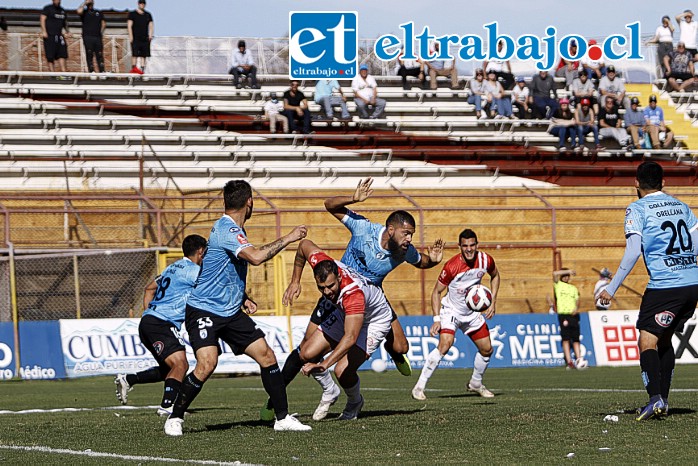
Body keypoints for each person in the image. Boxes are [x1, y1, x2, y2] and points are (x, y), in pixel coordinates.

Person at [260, 178, 444, 421]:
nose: (410, 238)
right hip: (338, 291)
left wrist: (434, 260)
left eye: (412, 234)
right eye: (406, 233)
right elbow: (329, 206)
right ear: (391, 230)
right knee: (305, 350)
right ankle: (278, 401)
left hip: (369, 300)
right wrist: (353, 198)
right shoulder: (364, 228)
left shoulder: (404, 251)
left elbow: (421, 262)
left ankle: (393, 351)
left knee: (401, 347)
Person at [163, 180, 311, 436]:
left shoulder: (230, 231)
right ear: (249, 202)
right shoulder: (227, 230)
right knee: (207, 364)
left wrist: (243, 296)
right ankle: (174, 417)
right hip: (204, 309)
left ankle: (282, 418)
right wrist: (289, 237)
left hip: (230, 311)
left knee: (267, 355)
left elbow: (221, 271)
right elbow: (255, 258)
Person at [598, 161, 698, 420]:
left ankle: (655, 398)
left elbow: (633, 252)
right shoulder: (681, 206)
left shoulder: (637, 208)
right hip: (691, 286)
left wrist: (611, 288)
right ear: (664, 183)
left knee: (647, 341)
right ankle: (662, 400)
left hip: (665, 286)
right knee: (663, 340)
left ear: (636, 183)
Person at [284, 239, 394, 421]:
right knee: (306, 353)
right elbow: (304, 245)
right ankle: (330, 390)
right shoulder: (321, 262)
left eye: (330, 286)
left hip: (375, 320)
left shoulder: (353, 295)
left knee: (342, 370)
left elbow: (350, 337)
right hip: (346, 312)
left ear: (340, 278)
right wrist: (295, 281)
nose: (327, 292)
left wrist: (324, 364)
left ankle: (354, 401)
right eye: (321, 288)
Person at [114, 234, 207, 416]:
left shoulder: (171, 268)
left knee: (169, 369)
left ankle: (128, 379)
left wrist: (150, 313)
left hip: (149, 321)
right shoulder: (193, 271)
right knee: (180, 364)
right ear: (201, 251)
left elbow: (149, 289)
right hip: (160, 323)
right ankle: (167, 407)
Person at [411, 228, 500, 401]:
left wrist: (493, 301)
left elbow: (495, 276)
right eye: (465, 246)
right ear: (459, 246)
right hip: (451, 310)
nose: (469, 249)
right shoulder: (452, 266)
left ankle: (475, 383)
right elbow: (436, 293)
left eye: (472, 245)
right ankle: (419, 387)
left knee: (487, 349)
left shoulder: (485, 260)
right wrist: (436, 319)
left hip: (471, 312)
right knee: (445, 344)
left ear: (477, 245)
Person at [552, 268, 583, 370]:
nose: (566, 277)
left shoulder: (573, 288)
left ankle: (579, 359)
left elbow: (577, 299)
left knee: (575, 338)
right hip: (563, 314)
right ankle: (569, 361)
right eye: (564, 276)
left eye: (567, 276)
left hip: (573, 315)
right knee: (565, 338)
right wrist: (569, 271)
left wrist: (577, 308)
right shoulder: (558, 285)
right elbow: (554, 273)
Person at [40, 0, 69, 73]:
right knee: (50, 55)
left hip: (59, 35)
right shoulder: (48, 8)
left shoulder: (62, 10)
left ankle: (64, 72)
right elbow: (42, 18)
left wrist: (67, 31)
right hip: (50, 35)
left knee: (62, 54)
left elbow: (65, 22)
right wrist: (44, 31)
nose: (58, 1)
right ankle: (52, 74)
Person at [77, 0, 105, 74]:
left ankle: (102, 71)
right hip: (87, 36)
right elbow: (79, 11)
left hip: (97, 37)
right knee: (89, 54)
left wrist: (100, 32)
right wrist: (85, 3)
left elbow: (103, 23)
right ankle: (91, 71)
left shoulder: (98, 12)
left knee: (99, 54)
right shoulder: (84, 12)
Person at [127, 0, 153, 74]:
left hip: (144, 37)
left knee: (143, 55)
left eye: (143, 3)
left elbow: (151, 25)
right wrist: (131, 36)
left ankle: (142, 69)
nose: (142, 5)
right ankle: (134, 68)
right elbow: (129, 25)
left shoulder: (148, 14)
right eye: (141, 3)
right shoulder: (132, 14)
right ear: (138, 4)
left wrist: (150, 35)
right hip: (135, 37)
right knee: (135, 54)